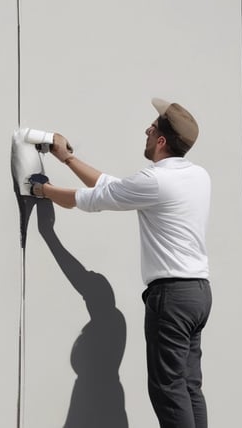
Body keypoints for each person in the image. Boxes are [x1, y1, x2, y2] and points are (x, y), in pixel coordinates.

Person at [30, 98, 212, 428]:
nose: (147, 129)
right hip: (198, 294)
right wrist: (68, 159)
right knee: (189, 387)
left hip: (171, 298)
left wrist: (41, 191)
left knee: (168, 390)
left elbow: (94, 199)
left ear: (160, 141)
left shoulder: (156, 181)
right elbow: (114, 188)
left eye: (152, 126)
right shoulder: (198, 176)